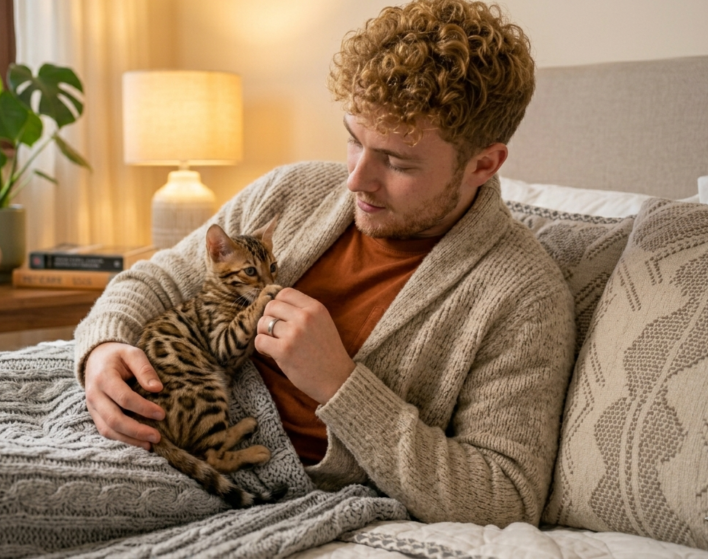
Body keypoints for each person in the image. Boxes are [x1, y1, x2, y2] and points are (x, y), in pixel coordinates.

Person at [74, 0, 575, 527]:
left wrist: (340, 385)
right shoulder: (292, 191)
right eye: (354, 141)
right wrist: (104, 347)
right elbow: (158, 277)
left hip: (228, 473)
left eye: (397, 161)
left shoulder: (522, 297)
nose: (356, 180)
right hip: (132, 416)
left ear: (484, 163)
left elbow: (503, 498)